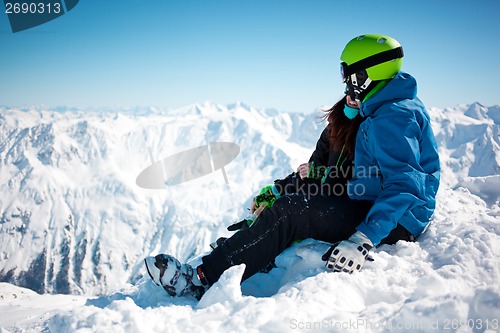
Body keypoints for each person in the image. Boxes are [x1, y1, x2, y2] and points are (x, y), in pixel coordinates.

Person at [144, 34, 440, 300]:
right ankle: (251, 246)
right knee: (296, 196)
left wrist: (363, 238)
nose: (345, 82)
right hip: (372, 199)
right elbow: (334, 170)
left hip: (396, 221)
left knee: (293, 211)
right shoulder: (379, 110)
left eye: (349, 74)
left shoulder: (392, 117)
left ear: (367, 75)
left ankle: (199, 280)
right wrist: (286, 186)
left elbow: (405, 185)